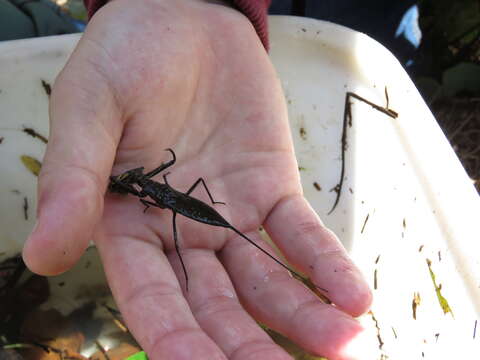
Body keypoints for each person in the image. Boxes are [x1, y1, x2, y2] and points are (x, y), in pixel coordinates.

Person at [22, 0, 373, 359]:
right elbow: (151, 188)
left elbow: (152, 194)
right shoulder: (149, 188)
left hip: (187, 206)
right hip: (183, 201)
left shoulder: (151, 193)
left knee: (177, 220)